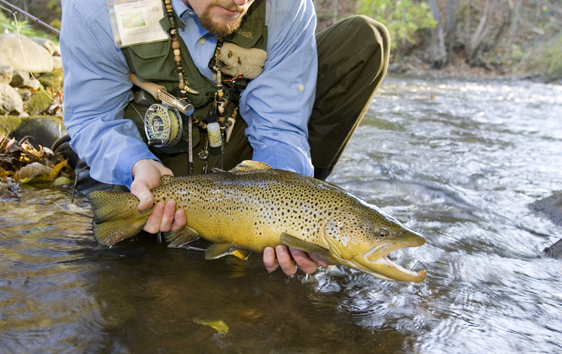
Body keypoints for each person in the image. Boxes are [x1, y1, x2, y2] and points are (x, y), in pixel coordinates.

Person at [60, 0, 390, 276]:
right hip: (152, 159)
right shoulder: (94, 7)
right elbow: (92, 116)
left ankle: (251, 222)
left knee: (363, 38)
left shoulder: (285, 6)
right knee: (124, 265)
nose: (238, 0)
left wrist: (287, 207)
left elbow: (279, 126)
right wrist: (134, 163)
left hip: (236, 154)